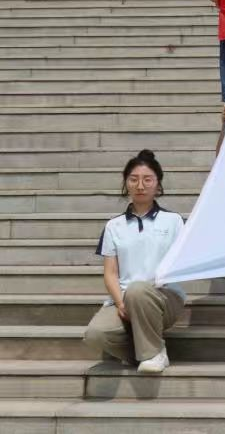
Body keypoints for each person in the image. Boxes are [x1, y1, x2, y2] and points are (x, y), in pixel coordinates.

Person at [83, 150, 186, 374]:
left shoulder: (174, 221)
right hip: (124, 298)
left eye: (147, 179)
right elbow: (111, 273)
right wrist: (121, 303)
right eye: (134, 179)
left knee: (138, 290)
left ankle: (153, 354)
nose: (140, 185)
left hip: (164, 297)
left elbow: (181, 263)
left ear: (158, 184)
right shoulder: (114, 226)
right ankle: (145, 352)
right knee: (96, 334)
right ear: (126, 183)